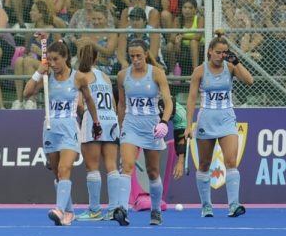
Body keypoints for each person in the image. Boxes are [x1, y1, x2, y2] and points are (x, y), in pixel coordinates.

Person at [23, 36, 102, 226]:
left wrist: (96, 122)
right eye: (49, 60)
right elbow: (26, 93)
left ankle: (58, 210)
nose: (52, 63)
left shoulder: (78, 77)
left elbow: (89, 101)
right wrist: (38, 73)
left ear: (65, 57)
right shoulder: (47, 76)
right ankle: (68, 212)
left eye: (56, 59)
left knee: (64, 168)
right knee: (58, 174)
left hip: (69, 127)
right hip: (50, 129)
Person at [185, 31, 254, 218]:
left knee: (231, 161)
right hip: (207, 118)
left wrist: (237, 62)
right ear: (209, 51)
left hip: (226, 118)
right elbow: (191, 99)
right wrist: (188, 125)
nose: (220, 56)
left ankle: (234, 205)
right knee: (205, 164)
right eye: (217, 52)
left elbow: (249, 81)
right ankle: (206, 205)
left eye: (224, 52)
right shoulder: (199, 71)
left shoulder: (230, 67)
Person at [116, 38, 173, 226]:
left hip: (151, 126)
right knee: (127, 165)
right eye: (132, 56)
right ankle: (122, 209)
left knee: (153, 171)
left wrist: (164, 122)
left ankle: (156, 211)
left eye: (139, 55)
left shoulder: (157, 73)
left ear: (146, 54)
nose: (135, 59)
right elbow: (122, 104)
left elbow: (168, 102)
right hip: (131, 125)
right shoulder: (123, 76)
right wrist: (119, 126)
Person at [76, 42, 121, 222]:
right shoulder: (105, 76)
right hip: (110, 118)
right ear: (96, 58)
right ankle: (113, 209)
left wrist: (84, 117)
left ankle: (94, 210)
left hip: (93, 119)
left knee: (92, 167)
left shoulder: (80, 77)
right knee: (111, 165)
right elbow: (114, 104)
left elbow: (80, 104)